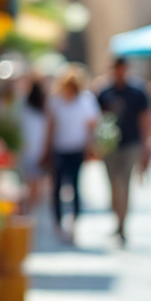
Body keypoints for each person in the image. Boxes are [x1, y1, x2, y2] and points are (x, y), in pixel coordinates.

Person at [41, 64, 100, 243]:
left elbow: (91, 126)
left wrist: (91, 147)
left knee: (75, 186)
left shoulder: (86, 100)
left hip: (76, 149)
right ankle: (59, 224)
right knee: (57, 187)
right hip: (59, 149)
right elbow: (50, 127)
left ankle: (74, 223)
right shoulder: (55, 101)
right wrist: (47, 150)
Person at [96, 57, 151, 244]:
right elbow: (98, 119)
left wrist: (147, 148)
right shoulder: (104, 92)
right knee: (113, 185)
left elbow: (144, 121)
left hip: (130, 144)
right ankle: (117, 219)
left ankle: (122, 224)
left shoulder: (137, 92)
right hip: (110, 146)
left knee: (125, 184)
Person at [19, 78, 49, 212]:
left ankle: (30, 206)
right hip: (39, 148)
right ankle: (33, 205)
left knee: (29, 180)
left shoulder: (25, 109)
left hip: (28, 148)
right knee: (38, 179)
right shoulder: (44, 110)